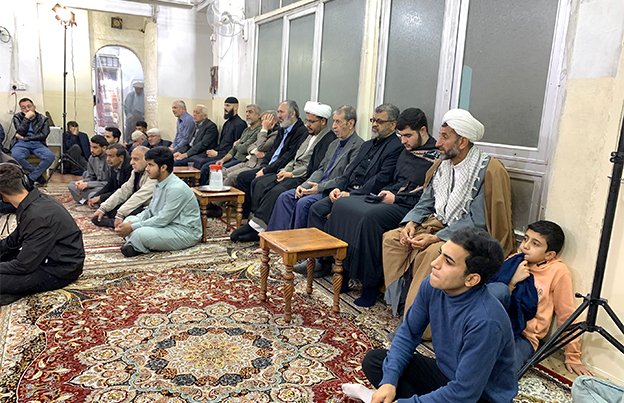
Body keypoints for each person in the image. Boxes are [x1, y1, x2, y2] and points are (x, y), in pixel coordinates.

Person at [344, 227, 517, 403]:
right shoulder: (433, 285)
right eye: (440, 254)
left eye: (448, 261)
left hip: (480, 397)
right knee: (376, 362)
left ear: (471, 279)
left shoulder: (486, 321)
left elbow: (464, 393)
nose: (434, 263)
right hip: (447, 376)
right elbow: (408, 333)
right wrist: (389, 381)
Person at [382, 109, 515, 318]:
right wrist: (411, 223)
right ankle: (400, 302)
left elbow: (477, 220)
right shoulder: (441, 165)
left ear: (462, 142)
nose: (438, 143)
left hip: (469, 235)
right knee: (392, 239)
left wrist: (436, 238)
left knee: (432, 254)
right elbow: (426, 201)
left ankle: (416, 320)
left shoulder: (488, 169)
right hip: (439, 223)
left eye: (445, 137)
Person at [322, 108, 438, 306]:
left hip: (410, 206)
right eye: (401, 136)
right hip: (392, 198)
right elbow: (395, 180)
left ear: (423, 130)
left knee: (370, 218)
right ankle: (344, 271)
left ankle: (369, 286)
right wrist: (387, 192)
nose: (403, 141)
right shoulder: (407, 149)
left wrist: (396, 197)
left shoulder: (435, 155)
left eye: (408, 136)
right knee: (342, 205)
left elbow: (427, 194)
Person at [488, 220, 594, 376]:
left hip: (525, 337)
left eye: (535, 243)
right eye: (525, 239)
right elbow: (492, 296)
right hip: (498, 327)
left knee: (502, 373)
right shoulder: (514, 260)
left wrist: (572, 356)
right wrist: (512, 282)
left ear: (549, 255)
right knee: (498, 290)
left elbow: (566, 314)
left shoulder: (557, 272)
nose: (525, 246)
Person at [230, 101, 336, 242]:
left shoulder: (328, 139)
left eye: (311, 122)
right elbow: (295, 157)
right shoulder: (309, 135)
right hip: (291, 171)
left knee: (276, 191)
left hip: (303, 176)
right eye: (307, 120)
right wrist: (285, 170)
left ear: (323, 121)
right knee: (263, 184)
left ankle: (258, 228)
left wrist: (291, 174)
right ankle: (256, 225)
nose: (308, 124)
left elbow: (314, 166)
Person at [306, 103, 405, 235]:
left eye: (380, 121)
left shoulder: (396, 147)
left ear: (393, 125)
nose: (375, 124)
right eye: (373, 120)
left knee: (341, 208)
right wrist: (338, 188)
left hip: (365, 195)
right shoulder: (367, 144)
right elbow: (349, 171)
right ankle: (318, 248)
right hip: (349, 190)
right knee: (316, 209)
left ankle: (336, 248)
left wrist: (352, 194)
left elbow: (381, 179)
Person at [266, 105, 364, 233]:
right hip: (318, 185)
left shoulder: (358, 146)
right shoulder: (334, 143)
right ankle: (276, 237)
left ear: (351, 123)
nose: (334, 126)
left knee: (303, 203)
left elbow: (345, 177)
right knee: (286, 197)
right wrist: (305, 185)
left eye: (338, 122)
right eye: (334, 121)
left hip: (332, 190)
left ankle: (297, 242)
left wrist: (319, 187)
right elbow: (321, 169)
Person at [0, 162, 84, 306]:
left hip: (59, 270)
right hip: (43, 258)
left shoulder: (37, 216)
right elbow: (13, 241)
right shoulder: (32, 201)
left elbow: (24, 265)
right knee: (4, 255)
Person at [115, 147, 202, 257]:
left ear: (163, 167)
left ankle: (136, 244)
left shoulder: (176, 188)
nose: (147, 169)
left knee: (139, 233)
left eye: (150, 165)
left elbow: (162, 219)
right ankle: (136, 244)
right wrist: (131, 224)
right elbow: (150, 211)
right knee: (129, 220)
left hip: (183, 232)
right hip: (165, 226)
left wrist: (132, 227)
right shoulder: (159, 182)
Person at [234, 100, 309, 218]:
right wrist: (264, 167)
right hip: (268, 166)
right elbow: (271, 151)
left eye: (281, 112)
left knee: (258, 182)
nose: (279, 115)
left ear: (292, 114)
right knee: (242, 178)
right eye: (278, 112)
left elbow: (287, 157)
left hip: (280, 169)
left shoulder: (301, 132)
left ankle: (256, 218)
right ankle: (245, 216)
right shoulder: (282, 129)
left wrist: (265, 171)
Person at [92, 146, 156, 229]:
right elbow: (124, 190)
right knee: (112, 209)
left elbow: (140, 196)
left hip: (148, 208)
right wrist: (103, 208)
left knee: (132, 215)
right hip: (138, 205)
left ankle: (116, 223)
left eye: (136, 159)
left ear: (147, 160)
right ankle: (117, 222)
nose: (131, 162)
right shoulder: (136, 171)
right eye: (132, 159)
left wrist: (120, 214)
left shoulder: (154, 174)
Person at [220, 110, 280, 187]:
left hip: (256, 165)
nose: (262, 124)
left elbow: (261, 147)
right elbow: (250, 147)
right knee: (222, 172)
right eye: (262, 121)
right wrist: (255, 151)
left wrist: (264, 129)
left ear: (274, 120)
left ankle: (222, 195)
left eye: (265, 121)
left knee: (231, 177)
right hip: (248, 161)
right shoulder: (262, 132)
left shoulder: (276, 134)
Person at [10, 98, 56, 185]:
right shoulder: (17, 117)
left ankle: (31, 178)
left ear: (34, 107)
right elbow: (21, 132)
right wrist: (26, 118)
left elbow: (43, 135)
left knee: (50, 157)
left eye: (29, 106)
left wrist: (25, 138)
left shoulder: (43, 119)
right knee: (15, 156)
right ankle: (37, 176)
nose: (27, 109)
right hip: (21, 143)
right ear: (21, 109)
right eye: (23, 108)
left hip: (37, 143)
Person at [194, 97, 248, 170]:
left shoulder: (240, 124)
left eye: (228, 105)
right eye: (224, 105)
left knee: (204, 166)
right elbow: (222, 144)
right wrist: (213, 151)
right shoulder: (227, 123)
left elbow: (235, 148)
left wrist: (218, 154)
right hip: (220, 153)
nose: (225, 108)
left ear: (236, 107)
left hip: (227, 156)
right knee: (194, 159)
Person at [216, 104, 263, 169]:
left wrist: (236, 144)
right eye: (246, 112)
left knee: (219, 171)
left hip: (242, 161)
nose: (247, 114)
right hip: (234, 158)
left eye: (250, 112)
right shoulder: (247, 130)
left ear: (259, 115)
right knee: (210, 167)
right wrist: (222, 160)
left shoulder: (259, 130)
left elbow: (244, 148)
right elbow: (233, 150)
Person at [86, 143, 133, 209]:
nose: (107, 159)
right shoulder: (113, 165)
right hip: (116, 193)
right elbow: (109, 186)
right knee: (92, 195)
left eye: (111, 156)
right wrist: (94, 197)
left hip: (125, 196)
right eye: (107, 156)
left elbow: (123, 191)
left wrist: (100, 197)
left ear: (121, 158)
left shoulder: (129, 167)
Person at [68, 135, 110, 203]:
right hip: (95, 185)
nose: (91, 150)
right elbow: (90, 177)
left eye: (95, 147)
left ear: (104, 148)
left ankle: (88, 199)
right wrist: (82, 182)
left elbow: (110, 183)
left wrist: (88, 184)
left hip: (105, 187)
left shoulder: (110, 159)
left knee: (93, 194)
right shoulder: (92, 158)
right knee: (72, 185)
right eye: (91, 147)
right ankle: (89, 200)